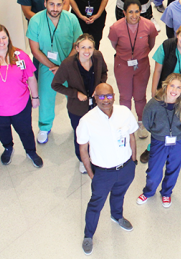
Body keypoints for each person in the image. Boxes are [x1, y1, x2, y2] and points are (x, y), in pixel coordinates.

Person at [78, 83, 138, 255]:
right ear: (95, 98)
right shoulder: (87, 121)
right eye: (101, 97)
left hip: (125, 168)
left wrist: (132, 161)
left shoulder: (124, 113)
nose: (106, 100)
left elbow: (132, 136)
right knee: (96, 204)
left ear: (114, 96)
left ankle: (117, 216)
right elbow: (83, 149)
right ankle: (88, 235)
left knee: (120, 194)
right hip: (103, 173)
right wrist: (91, 174)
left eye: (109, 96)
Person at [0, 26, 43, 171]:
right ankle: (8, 148)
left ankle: (31, 151)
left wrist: (35, 97)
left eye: (4, 37)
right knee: (2, 129)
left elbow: (30, 77)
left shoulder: (19, 56)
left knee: (25, 130)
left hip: (21, 104)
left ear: (8, 38)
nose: (1, 41)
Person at [27, 0, 83, 144]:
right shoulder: (36, 21)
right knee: (46, 97)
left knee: (73, 96)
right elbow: (35, 50)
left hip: (70, 66)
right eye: (51, 4)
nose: (55, 8)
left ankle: (78, 125)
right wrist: (53, 66)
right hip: (47, 66)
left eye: (59, 5)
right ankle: (44, 126)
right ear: (45, 4)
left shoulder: (71, 19)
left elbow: (77, 45)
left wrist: (63, 67)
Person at [108, 0, 159, 156]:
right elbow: (114, 44)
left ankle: (141, 123)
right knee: (124, 96)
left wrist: (140, 56)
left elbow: (151, 44)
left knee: (139, 96)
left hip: (142, 64)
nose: (134, 15)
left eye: (137, 11)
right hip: (123, 64)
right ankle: (124, 123)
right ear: (124, 13)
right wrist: (127, 56)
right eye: (130, 12)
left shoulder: (149, 25)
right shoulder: (116, 28)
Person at [52, 34, 109, 172]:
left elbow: (104, 72)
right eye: (83, 47)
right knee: (81, 135)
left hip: (96, 106)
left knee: (96, 131)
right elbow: (56, 85)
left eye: (90, 47)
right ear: (77, 48)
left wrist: (99, 86)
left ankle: (96, 155)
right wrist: (75, 93)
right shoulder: (68, 64)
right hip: (77, 108)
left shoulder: (97, 57)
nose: (87, 51)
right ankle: (82, 160)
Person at [136, 73, 181, 208]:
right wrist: (159, 133)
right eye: (172, 86)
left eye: (179, 88)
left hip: (179, 142)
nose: (174, 90)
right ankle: (148, 192)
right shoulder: (153, 104)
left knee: (173, 169)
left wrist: (176, 133)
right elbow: (147, 122)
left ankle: (167, 193)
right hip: (159, 141)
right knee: (154, 170)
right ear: (166, 86)